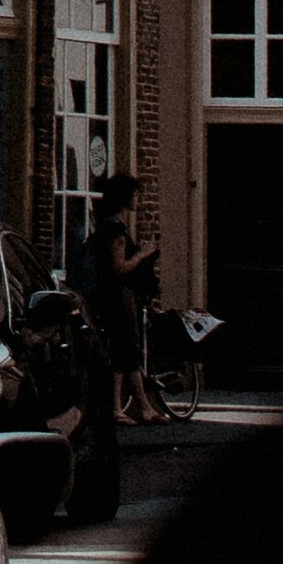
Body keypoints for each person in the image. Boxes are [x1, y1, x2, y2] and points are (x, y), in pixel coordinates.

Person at [88, 167, 168, 424]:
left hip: (112, 296)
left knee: (124, 354)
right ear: (126, 198)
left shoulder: (107, 226)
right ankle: (124, 409)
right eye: (135, 195)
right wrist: (143, 254)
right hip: (118, 296)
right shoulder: (117, 230)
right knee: (126, 350)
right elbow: (119, 267)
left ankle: (137, 407)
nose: (138, 200)